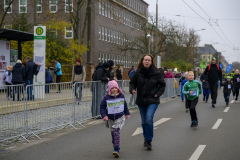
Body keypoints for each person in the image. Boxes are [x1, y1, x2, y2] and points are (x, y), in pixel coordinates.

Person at [129, 54, 166, 150]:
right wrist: (132, 89)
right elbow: (132, 83)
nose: (147, 61)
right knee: (144, 121)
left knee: (149, 119)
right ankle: (146, 138)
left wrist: (157, 94)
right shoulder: (138, 73)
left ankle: (149, 140)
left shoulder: (156, 73)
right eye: (145, 60)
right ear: (142, 61)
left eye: (148, 60)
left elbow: (162, 85)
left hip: (153, 100)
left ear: (151, 62)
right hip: (141, 100)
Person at [100, 80, 130, 157]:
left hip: (119, 117)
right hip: (110, 118)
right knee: (113, 133)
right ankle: (115, 143)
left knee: (116, 132)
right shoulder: (106, 98)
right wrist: (104, 115)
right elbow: (102, 107)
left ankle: (116, 149)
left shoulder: (121, 96)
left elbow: (125, 105)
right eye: (112, 88)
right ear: (110, 89)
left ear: (118, 88)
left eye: (115, 88)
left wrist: (127, 113)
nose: (114, 89)